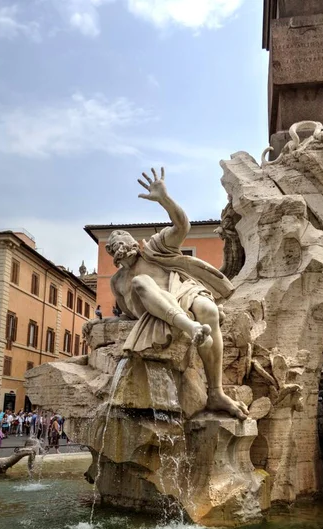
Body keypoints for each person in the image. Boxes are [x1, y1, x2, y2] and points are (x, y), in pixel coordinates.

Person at [105, 167, 249, 420]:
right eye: (113, 246)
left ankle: (215, 392)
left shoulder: (155, 248)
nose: (119, 246)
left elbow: (183, 225)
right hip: (156, 312)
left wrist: (164, 199)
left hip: (182, 293)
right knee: (141, 281)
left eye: (123, 241)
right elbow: (126, 315)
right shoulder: (118, 282)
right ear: (113, 255)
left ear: (133, 243)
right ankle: (192, 328)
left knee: (208, 310)